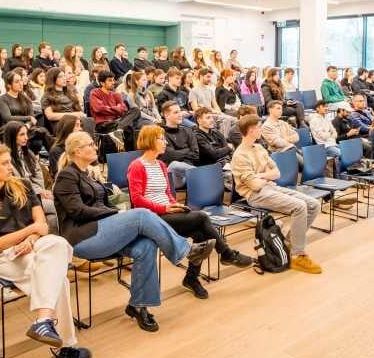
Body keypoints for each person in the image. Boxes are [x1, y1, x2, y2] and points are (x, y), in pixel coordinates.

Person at [53, 131, 215, 332]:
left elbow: (103, 205)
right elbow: (77, 211)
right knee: (141, 214)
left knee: (146, 245)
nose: (95, 147)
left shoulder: (89, 174)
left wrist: (114, 212)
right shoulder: (67, 175)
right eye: (91, 144)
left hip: (103, 230)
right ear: (78, 151)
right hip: (83, 238)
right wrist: (116, 213)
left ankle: (138, 305)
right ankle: (186, 251)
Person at [0, 143, 89, 358]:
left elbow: (42, 224)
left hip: (36, 245)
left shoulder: (22, 185)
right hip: (6, 257)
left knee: (57, 242)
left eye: (10, 162)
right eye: (4, 163)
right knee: (58, 278)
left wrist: (31, 239)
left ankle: (44, 320)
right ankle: (65, 346)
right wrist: (30, 231)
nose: (10, 167)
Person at [127, 124, 251, 298]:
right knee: (201, 217)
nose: (165, 142)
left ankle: (192, 278)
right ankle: (227, 254)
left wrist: (174, 205)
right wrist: (165, 207)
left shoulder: (161, 165)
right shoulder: (137, 166)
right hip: (152, 218)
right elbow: (137, 200)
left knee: (201, 235)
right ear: (150, 141)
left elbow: (167, 193)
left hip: (168, 212)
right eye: (161, 139)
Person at [232, 115, 322, 273]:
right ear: (251, 130)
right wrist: (266, 177)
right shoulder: (240, 156)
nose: (261, 130)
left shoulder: (259, 148)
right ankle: (297, 255)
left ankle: (288, 242)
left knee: (314, 205)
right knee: (300, 207)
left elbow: (277, 173)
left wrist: (260, 176)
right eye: (259, 127)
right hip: (255, 195)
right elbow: (255, 185)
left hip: (270, 188)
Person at [0, 122, 56, 229]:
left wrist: (41, 190)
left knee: (57, 204)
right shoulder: (5, 157)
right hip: (21, 197)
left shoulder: (28, 152)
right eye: (22, 135)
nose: (26, 138)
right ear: (12, 136)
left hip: (35, 192)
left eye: (26, 134)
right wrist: (38, 193)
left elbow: (38, 175)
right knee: (55, 206)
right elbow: (17, 183)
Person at [0, 71, 53, 153]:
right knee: (42, 131)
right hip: (9, 129)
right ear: (9, 85)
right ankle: (57, 153)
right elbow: (7, 118)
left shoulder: (25, 98)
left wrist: (27, 125)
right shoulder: (2, 99)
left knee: (42, 131)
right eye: (17, 82)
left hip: (26, 128)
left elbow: (32, 117)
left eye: (21, 80)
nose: (20, 83)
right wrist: (28, 118)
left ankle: (55, 154)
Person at [41, 66, 93, 136]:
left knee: (89, 121)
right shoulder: (47, 96)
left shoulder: (69, 92)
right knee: (83, 123)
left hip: (75, 120)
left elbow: (78, 109)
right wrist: (73, 115)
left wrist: (79, 114)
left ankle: (89, 142)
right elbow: (50, 116)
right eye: (60, 77)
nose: (64, 78)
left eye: (64, 76)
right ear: (53, 79)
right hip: (61, 123)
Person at [89, 71, 139, 141]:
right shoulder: (95, 92)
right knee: (128, 128)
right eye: (110, 80)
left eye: (113, 80)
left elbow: (124, 109)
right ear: (102, 83)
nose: (113, 82)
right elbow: (99, 109)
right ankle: (119, 128)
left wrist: (109, 108)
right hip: (104, 124)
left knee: (136, 110)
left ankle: (118, 129)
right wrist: (117, 108)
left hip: (117, 122)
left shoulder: (116, 94)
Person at [160, 101, 199, 189]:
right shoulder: (160, 133)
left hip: (189, 174)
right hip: (173, 177)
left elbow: (196, 155)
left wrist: (178, 153)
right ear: (166, 115)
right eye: (176, 112)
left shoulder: (188, 130)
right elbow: (170, 156)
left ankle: (202, 175)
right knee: (175, 165)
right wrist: (187, 150)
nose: (180, 114)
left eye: (180, 111)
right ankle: (202, 175)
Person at [189, 67, 237, 134]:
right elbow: (196, 109)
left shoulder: (210, 90)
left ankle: (226, 137)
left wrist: (220, 113)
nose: (210, 79)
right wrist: (211, 110)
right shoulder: (194, 91)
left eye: (210, 77)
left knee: (235, 120)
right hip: (204, 115)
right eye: (208, 77)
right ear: (201, 76)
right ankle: (223, 139)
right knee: (227, 120)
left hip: (213, 113)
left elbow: (215, 105)